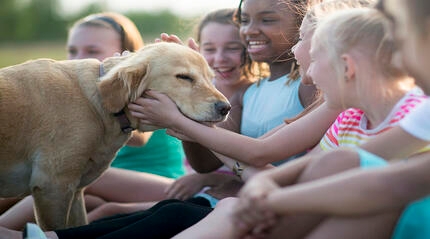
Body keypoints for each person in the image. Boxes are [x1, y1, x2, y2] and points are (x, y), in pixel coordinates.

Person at [173, 5, 430, 239]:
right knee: (340, 162)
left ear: (347, 67)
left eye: (403, 41)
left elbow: (393, 184)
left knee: (355, 179)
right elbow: (319, 165)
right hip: (373, 208)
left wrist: (274, 200)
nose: (398, 58)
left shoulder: (410, 108)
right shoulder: (351, 117)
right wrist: (265, 185)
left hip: (399, 218)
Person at [0, 12, 184, 230]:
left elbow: (139, 137)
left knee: (60, 174)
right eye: (72, 50)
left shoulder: (144, 90)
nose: (79, 58)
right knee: (35, 185)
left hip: (155, 180)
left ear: (125, 55)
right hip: (99, 184)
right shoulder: (73, 95)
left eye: (92, 51)